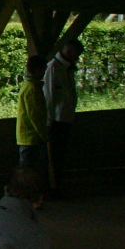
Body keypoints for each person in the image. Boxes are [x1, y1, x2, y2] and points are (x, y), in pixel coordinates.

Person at [43, 39, 83, 191]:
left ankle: (56, 184)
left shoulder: (66, 69)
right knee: (54, 156)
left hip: (65, 119)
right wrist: (49, 121)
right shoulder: (53, 68)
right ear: (69, 52)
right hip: (56, 121)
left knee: (59, 155)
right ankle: (51, 185)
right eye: (76, 55)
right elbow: (49, 97)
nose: (77, 58)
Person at [17, 54, 49, 171]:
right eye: (43, 70)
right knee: (28, 170)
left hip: (29, 136)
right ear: (37, 70)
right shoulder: (32, 89)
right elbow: (35, 115)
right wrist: (44, 135)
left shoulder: (28, 86)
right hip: (30, 137)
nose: (44, 73)